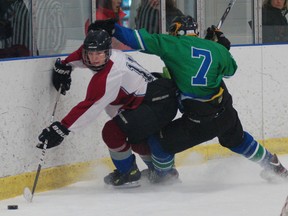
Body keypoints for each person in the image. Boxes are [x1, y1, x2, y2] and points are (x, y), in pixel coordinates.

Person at [90, 16, 288, 182]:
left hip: (199, 120)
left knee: (159, 144)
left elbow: (137, 39)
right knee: (238, 139)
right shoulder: (216, 49)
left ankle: (166, 178)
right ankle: (273, 166)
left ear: (176, 31)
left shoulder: (172, 44)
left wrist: (113, 28)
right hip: (225, 111)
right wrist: (220, 47)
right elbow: (230, 70)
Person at [36, 29, 179, 188]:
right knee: (136, 137)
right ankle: (162, 174)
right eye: (91, 54)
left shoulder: (110, 73)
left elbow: (91, 106)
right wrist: (65, 65)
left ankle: (130, 173)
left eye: (99, 54)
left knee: (112, 132)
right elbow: (80, 54)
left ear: (107, 53)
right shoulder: (101, 56)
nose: (95, 58)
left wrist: (62, 128)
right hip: (152, 97)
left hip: (156, 102)